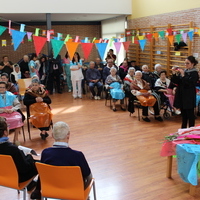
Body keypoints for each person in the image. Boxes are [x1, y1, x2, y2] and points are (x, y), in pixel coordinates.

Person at [30, 121, 92, 199]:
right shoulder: (78, 155)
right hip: (74, 190)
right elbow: (87, 174)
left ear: (52, 135)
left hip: (51, 187)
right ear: (68, 135)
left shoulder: (45, 153)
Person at [0, 117, 37, 189]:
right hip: (18, 177)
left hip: (2, 176)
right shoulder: (12, 149)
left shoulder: (10, 148)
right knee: (40, 165)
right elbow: (24, 169)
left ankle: (31, 184)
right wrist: (29, 157)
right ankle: (37, 191)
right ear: (5, 132)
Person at [171, 56, 199, 128]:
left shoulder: (194, 73)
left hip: (189, 96)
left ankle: (191, 129)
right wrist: (174, 74)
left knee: (190, 114)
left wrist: (183, 75)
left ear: (192, 64)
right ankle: (183, 129)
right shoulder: (185, 71)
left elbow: (189, 83)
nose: (185, 65)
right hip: (182, 95)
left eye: (187, 63)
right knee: (183, 115)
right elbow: (177, 82)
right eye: (185, 63)